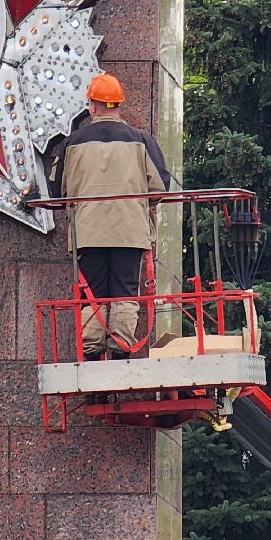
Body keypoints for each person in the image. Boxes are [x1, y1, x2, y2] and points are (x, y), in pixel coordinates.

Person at [47, 72, 172, 361]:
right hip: (130, 232)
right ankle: (120, 354)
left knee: (92, 294)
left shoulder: (72, 144)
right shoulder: (141, 140)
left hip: (87, 234)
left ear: (92, 106)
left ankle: (91, 356)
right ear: (119, 105)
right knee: (125, 292)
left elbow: (57, 190)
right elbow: (160, 187)